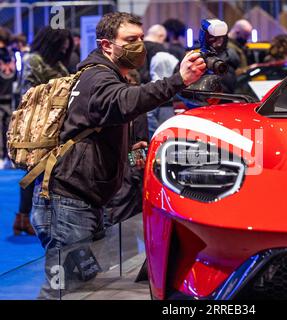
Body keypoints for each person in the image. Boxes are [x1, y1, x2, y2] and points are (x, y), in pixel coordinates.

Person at [30, 12, 205, 297]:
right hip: (67, 203)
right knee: (62, 290)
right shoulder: (97, 77)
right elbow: (125, 102)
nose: (139, 45)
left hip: (82, 202)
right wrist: (178, 80)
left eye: (140, 38)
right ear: (107, 45)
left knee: (82, 287)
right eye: (130, 40)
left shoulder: (105, 75)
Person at [13, 27, 73, 236]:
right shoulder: (34, 60)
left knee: (43, 172)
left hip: (54, 125)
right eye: (62, 44)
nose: (65, 48)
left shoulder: (56, 63)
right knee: (33, 171)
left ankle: (26, 217)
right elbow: (27, 94)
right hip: (34, 126)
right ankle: (25, 216)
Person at [103, 69, 149, 226]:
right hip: (120, 172)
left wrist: (134, 169)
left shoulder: (133, 107)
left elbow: (139, 145)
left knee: (120, 223)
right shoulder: (128, 104)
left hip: (126, 173)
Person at [140, 24, 179, 137]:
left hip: (140, 95)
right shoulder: (160, 50)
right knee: (164, 135)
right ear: (161, 35)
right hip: (160, 95)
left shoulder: (137, 48)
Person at [0, 27, 16, 170]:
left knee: (6, 130)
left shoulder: (11, 55)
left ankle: (5, 156)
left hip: (7, 96)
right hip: (10, 96)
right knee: (7, 129)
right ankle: (5, 156)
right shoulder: (12, 54)